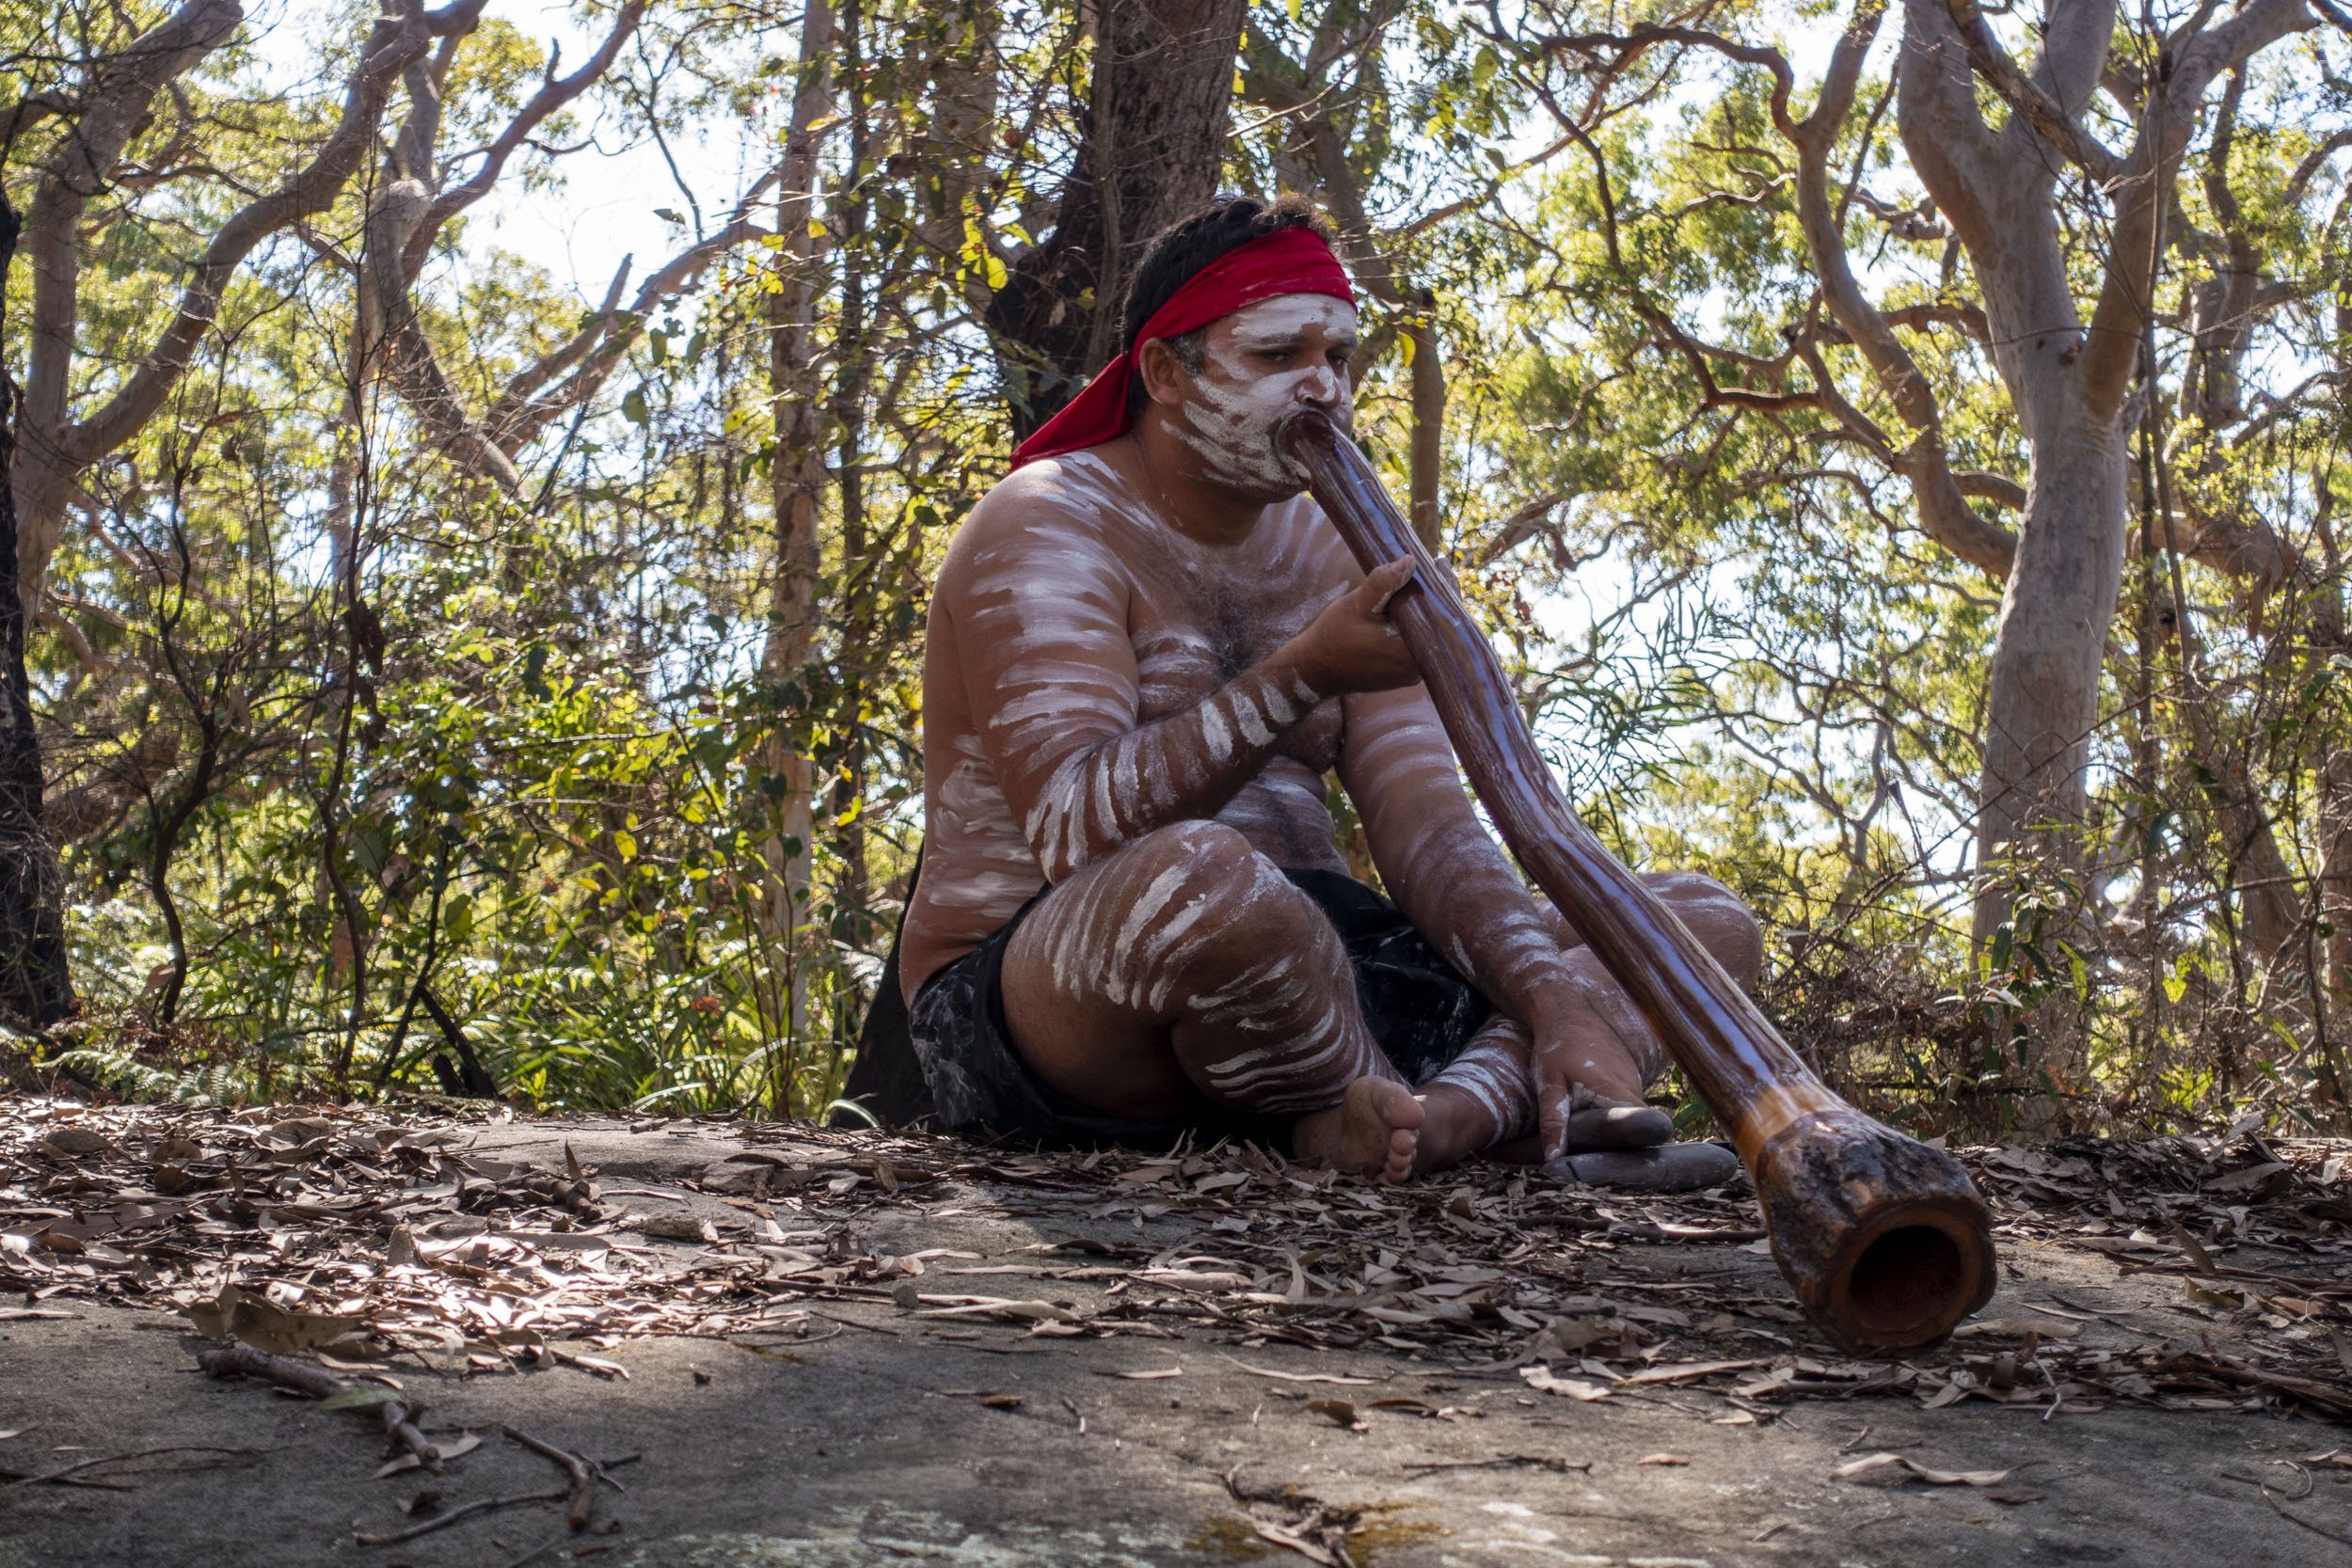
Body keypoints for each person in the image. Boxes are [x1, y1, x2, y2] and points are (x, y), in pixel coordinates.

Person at [894, 194, 1762, 1181]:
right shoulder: (1047, 520)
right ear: (1165, 375)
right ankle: (1443, 1109)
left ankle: (1418, 1118)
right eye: (1276, 356)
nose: (1322, 390)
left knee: (1697, 922)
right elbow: (1073, 829)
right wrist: (1302, 671)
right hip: (1057, 1000)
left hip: (1329, 970)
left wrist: (1558, 1003)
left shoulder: (1338, 547)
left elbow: (1429, 825)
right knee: (1209, 881)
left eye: (1338, 357)